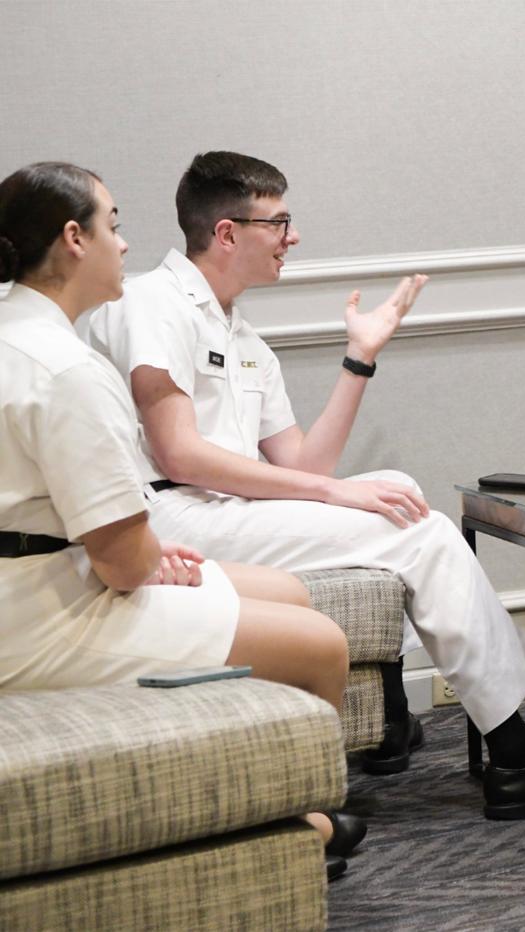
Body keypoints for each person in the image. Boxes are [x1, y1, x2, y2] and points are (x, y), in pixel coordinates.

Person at [86, 151, 525, 819]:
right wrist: (333, 495)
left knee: (396, 489)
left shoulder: (245, 338)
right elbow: (179, 456)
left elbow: (304, 466)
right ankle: (518, 755)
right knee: (423, 532)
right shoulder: (152, 303)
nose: (294, 237)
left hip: (223, 508)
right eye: (280, 222)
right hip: (173, 518)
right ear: (227, 232)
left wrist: (361, 358)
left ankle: (397, 715)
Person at [0, 161, 363, 881]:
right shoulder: (67, 370)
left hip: (44, 575)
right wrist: (143, 558)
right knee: (321, 644)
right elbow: (121, 562)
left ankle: (272, 796)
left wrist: (138, 552)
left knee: (287, 591)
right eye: (114, 224)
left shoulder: (15, 330)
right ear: (74, 239)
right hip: (42, 617)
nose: (125, 244)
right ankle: (304, 822)